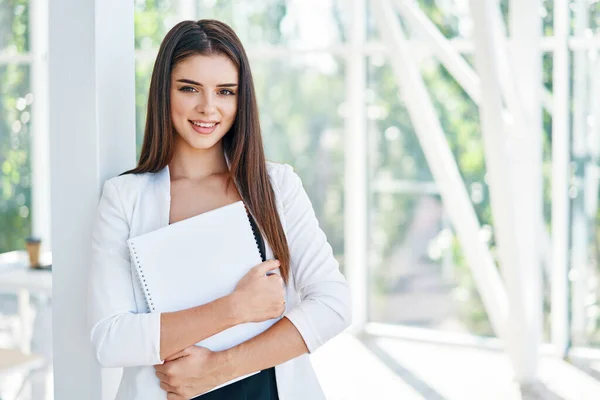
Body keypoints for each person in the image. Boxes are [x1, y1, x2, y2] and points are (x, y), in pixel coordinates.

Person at [88, 19, 352, 400]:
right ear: (165, 92)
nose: (207, 108)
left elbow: (333, 304)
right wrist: (233, 308)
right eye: (189, 88)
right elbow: (109, 339)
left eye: (225, 91)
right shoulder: (124, 197)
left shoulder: (276, 186)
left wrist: (218, 368)